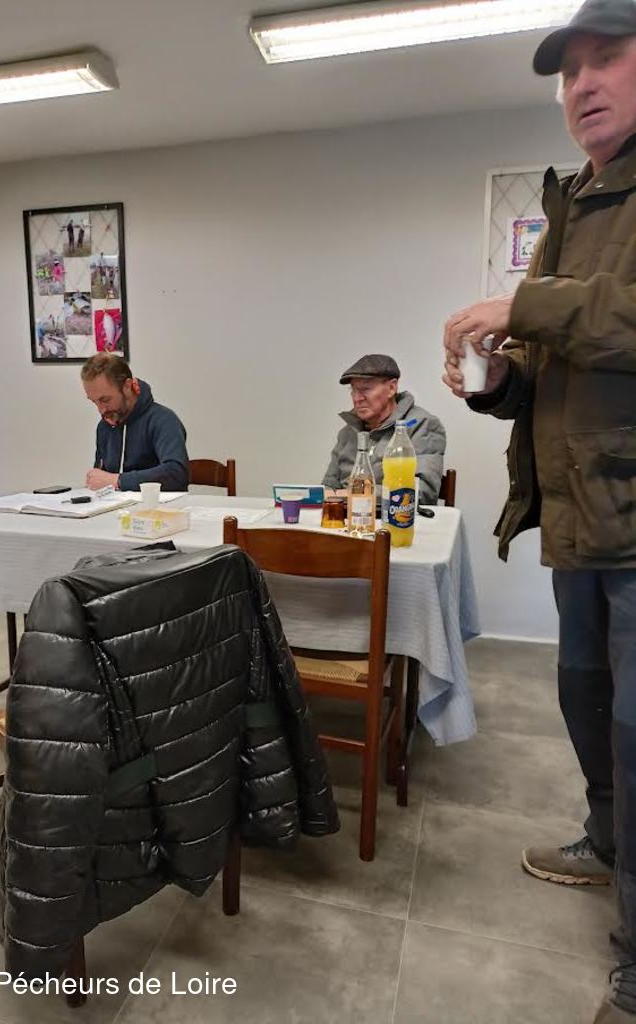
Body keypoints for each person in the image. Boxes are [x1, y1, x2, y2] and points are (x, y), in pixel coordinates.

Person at [442, 2, 636, 1018]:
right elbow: (553, 362)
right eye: (569, 72)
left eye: (607, 59)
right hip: (577, 513)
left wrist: (522, 307)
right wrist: (493, 377)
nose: (583, 84)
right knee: (584, 699)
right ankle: (607, 843)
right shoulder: (574, 204)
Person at [322, 353, 446, 504]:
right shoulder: (348, 432)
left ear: (391, 388)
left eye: (365, 389)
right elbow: (329, 487)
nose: (357, 398)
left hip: (397, 517)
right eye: (353, 390)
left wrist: (355, 493)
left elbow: (423, 493)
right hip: (348, 516)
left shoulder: (422, 425)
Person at [81, 353, 189, 492]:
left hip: (157, 504)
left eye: (105, 400)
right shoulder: (105, 427)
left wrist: (118, 481)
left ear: (127, 386)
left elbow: (177, 474)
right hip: (115, 505)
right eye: (94, 402)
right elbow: (102, 477)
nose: (101, 410)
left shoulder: (163, 420)